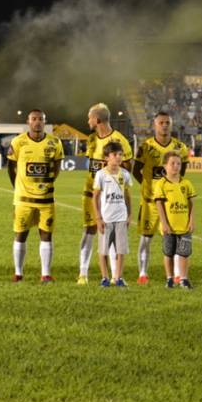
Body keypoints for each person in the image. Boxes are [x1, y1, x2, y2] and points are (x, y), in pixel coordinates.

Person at [6, 110, 63, 283]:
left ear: (45, 121)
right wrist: (17, 187)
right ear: (28, 121)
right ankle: (18, 273)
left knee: (46, 235)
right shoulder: (18, 142)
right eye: (34, 119)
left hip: (46, 199)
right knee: (20, 235)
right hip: (23, 199)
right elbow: (11, 167)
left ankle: (45, 274)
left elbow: (56, 167)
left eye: (40, 119)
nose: (37, 122)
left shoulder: (54, 142)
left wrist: (47, 183)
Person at [78, 103, 132, 285]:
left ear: (98, 119)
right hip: (91, 193)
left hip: (112, 198)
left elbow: (128, 168)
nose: (88, 120)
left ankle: (114, 277)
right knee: (89, 230)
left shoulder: (119, 140)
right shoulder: (91, 139)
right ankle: (83, 273)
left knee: (111, 235)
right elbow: (91, 165)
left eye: (90, 117)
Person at [132, 111, 189, 285]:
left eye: (167, 122)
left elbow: (182, 172)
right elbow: (136, 171)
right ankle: (142, 273)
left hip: (172, 204)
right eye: (161, 122)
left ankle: (178, 274)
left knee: (175, 237)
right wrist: (148, 187)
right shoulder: (146, 146)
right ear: (154, 125)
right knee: (146, 239)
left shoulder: (180, 147)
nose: (164, 125)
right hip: (150, 203)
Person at [92, 142, 133, 288]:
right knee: (103, 251)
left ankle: (118, 277)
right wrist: (98, 218)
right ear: (106, 157)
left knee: (121, 250)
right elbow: (95, 197)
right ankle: (105, 278)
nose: (118, 157)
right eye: (115, 155)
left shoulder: (125, 174)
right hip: (106, 219)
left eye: (120, 154)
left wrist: (129, 215)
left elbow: (127, 196)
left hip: (121, 217)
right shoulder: (101, 175)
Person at [153, 152, 196, 289]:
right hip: (169, 226)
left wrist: (191, 221)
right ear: (165, 166)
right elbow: (159, 205)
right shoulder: (161, 184)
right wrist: (164, 223)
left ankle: (183, 279)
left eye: (178, 164)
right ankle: (170, 278)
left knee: (184, 253)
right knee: (169, 253)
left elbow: (191, 204)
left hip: (184, 226)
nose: (176, 166)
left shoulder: (186, 183)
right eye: (172, 163)